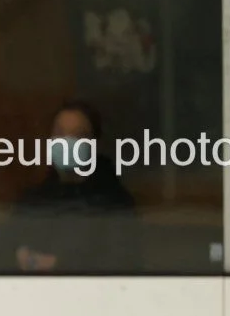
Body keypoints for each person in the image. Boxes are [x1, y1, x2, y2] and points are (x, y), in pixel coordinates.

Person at [12, 100, 139, 273]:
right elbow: (2, 251)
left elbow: (123, 262)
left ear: (94, 144)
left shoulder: (116, 204)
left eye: (78, 135)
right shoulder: (33, 200)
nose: (67, 142)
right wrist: (18, 255)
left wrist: (59, 264)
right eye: (60, 133)